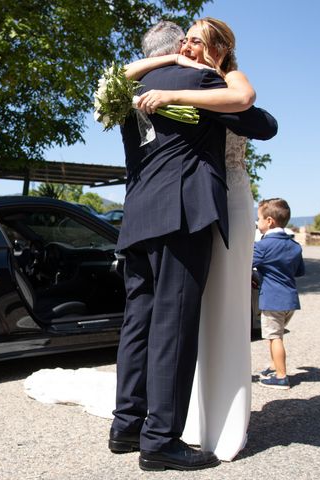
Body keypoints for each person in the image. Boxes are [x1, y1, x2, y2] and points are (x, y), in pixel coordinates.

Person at [110, 19, 278, 472]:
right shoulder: (202, 82)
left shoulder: (129, 89)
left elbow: (115, 76)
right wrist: (207, 72)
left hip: (138, 216)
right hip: (182, 215)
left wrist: (164, 65)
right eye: (186, 41)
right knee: (174, 326)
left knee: (138, 325)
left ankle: (126, 426)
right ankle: (160, 440)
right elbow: (261, 119)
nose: (189, 47)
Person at [253, 198, 305, 390]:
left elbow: (246, 265)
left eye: (258, 219)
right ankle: (274, 365)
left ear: (269, 221)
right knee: (275, 334)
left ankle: (281, 377)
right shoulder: (295, 245)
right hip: (290, 299)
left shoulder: (263, 246)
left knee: (275, 337)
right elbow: (299, 271)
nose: (256, 223)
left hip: (272, 299)